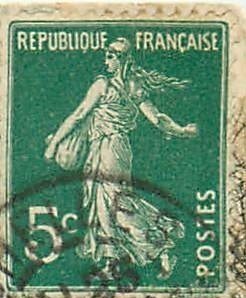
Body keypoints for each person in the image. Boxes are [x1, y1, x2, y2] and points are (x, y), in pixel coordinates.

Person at [43, 38, 198, 278]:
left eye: (110, 55)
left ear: (121, 58)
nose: (106, 60)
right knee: (103, 203)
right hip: (114, 148)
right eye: (106, 55)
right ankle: (111, 260)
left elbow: (78, 115)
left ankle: (160, 249)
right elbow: (157, 118)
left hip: (108, 148)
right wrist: (181, 131)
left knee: (114, 203)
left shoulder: (103, 85)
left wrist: (54, 144)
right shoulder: (134, 86)